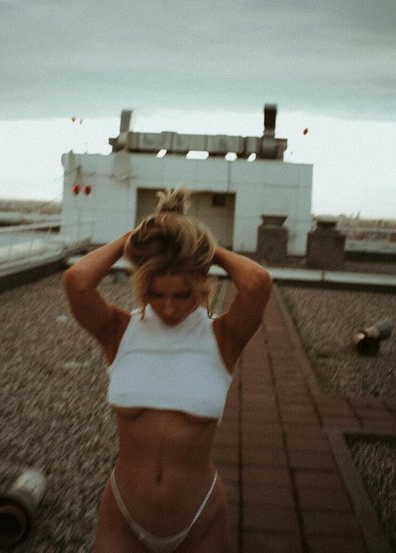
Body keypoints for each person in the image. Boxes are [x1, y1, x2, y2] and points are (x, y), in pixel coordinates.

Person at [63, 188, 272, 553]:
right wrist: (131, 239)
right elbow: (76, 281)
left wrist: (206, 248)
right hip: (123, 516)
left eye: (182, 295)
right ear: (142, 288)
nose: (169, 308)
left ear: (201, 287)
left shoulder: (222, 338)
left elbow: (258, 282)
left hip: (200, 519)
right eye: (156, 295)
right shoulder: (119, 332)